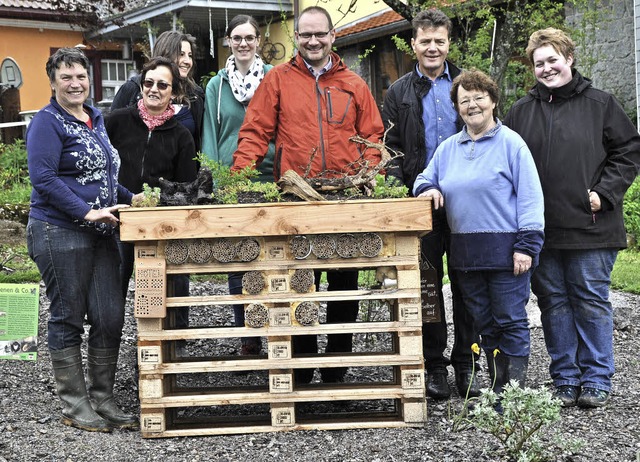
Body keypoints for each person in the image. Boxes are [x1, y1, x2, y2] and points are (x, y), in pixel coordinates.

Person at [232, 6, 385, 383]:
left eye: (320, 34)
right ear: (296, 38)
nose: (313, 41)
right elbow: (255, 132)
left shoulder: (354, 83)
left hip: (344, 201)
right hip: (295, 201)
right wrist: (237, 178)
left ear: (333, 36)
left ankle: (336, 371)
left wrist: (370, 169)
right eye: (305, 35)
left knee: (343, 284)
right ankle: (300, 372)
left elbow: (373, 136)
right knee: (300, 284)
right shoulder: (279, 81)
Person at [504, 28, 640, 408]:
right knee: (553, 302)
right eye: (539, 63)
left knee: (589, 299)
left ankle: (597, 378)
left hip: (591, 226)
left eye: (553, 60)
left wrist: (604, 193)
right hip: (541, 231)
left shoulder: (601, 103)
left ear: (569, 59)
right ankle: (565, 377)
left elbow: (629, 151)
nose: (547, 69)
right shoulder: (520, 112)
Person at [26, 47, 139, 432]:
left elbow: (102, 176)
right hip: (59, 229)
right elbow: (44, 179)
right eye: (66, 77)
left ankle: (103, 398)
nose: (75, 84)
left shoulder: (95, 117)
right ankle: (75, 403)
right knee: (68, 315)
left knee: (109, 315)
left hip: (102, 232)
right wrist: (87, 211)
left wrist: (129, 197)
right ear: (53, 82)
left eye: (81, 77)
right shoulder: (46, 122)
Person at [413, 70, 545, 398]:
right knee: (484, 325)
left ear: (493, 101)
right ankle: (497, 390)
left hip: (507, 254)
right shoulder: (448, 149)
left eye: (479, 98)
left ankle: (510, 394)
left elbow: (531, 197)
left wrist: (527, 245)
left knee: (510, 321)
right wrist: (429, 188)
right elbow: (421, 179)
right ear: (457, 108)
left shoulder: (511, 144)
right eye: (464, 100)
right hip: (467, 256)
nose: (472, 105)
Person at [381, 8, 480, 399]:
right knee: (427, 286)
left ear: (448, 43)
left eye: (440, 40)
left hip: (466, 203)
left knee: (467, 282)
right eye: (425, 41)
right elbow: (389, 149)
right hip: (419, 203)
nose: (433, 47)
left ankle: (467, 364)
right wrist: (400, 193)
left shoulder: (467, 85)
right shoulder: (398, 92)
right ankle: (434, 365)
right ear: (413, 44)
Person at [105, 57, 198, 342]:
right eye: (148, 83)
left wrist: (158, 199)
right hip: (118, 218)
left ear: (174, 90)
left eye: (162, 84)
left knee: (165, 292)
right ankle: (108, 349)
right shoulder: (116, 121)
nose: (154, 89)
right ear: (140, 85)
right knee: (112, 291)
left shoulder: (182, 135)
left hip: (159, 226)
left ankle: (170, 347)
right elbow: (101, 168)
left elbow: (186, 187)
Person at [201, 14, 275, 356]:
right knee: (239, 261)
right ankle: (248, 334)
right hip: (232, 181)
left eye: (249, 37)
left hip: (269, 178)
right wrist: (219, 183)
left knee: (272, 257)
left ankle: (276, 330)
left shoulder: (274, 78)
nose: (243, 43)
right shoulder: (216, 86)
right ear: (228, 42)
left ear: (258, 41)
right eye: (236, 38)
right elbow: (211, 137)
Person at [111, 30, 205, 153]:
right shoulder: (133, 88)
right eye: (181, 54)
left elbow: (198, 141)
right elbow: (111, 135)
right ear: (165, 54)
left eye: (190, 55)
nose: (187, 61)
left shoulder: (195, 95)